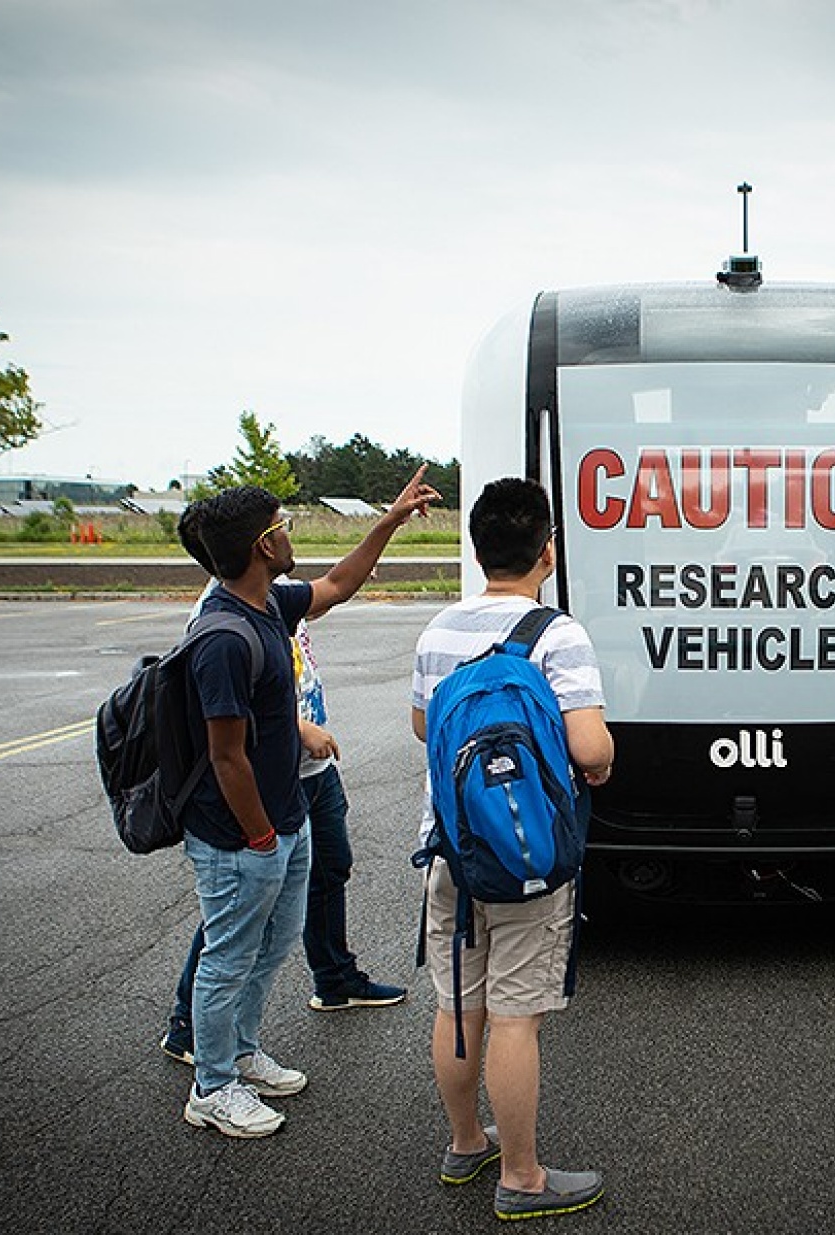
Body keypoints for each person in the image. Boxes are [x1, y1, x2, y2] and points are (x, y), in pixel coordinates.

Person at [177, 473, 438, 1140]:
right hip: (240, 835)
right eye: (284, 525)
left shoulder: (269, 603)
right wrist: (261, 836)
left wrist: (389, 521)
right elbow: (225, 755)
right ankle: (212, 1086)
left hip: (284, 818)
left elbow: (339, 584)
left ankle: (241, 1053)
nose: (291, 534)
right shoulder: (222, 635)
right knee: (227, 958)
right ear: (264, 545)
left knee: (269, 949)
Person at [410, 478, 614, 1220]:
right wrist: (600, 759)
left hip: (450, 848)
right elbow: (589, 747)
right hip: (528, 857)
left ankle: (466, 1142)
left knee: (457, 1004)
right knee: (516, 1016)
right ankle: (523, 1177)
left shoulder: (437, 631)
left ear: (476, 551)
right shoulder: (558, 635)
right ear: (547, 552)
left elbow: (422, 726)